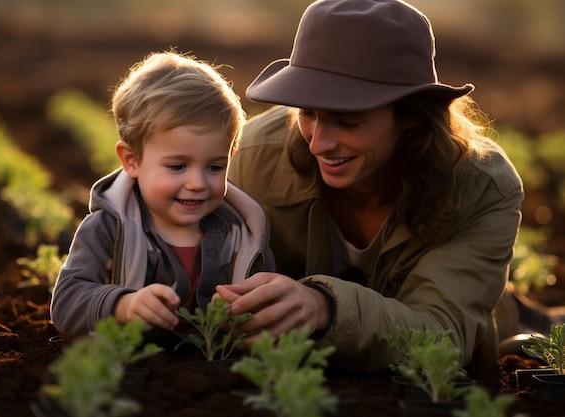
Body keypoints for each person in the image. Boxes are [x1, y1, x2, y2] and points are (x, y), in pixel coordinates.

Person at [215, 0, 524, 372]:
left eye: (347, 120)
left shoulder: (481, 187)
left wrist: (324, 306)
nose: (317, 144)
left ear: (411, 116)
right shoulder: (253, 156)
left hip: (438, 361)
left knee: (523, 329)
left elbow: (442, 337)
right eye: (307, 113)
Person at [50, 51, 275, 339]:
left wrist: (248, 310)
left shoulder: (243, 233)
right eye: (177, 166)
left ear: (231, 157)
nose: (197, 183)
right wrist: (123, 304)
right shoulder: (109, 229)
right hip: (133, 374)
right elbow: (66, 303)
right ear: (131, 160)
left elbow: (267, 299)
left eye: (215, 167)